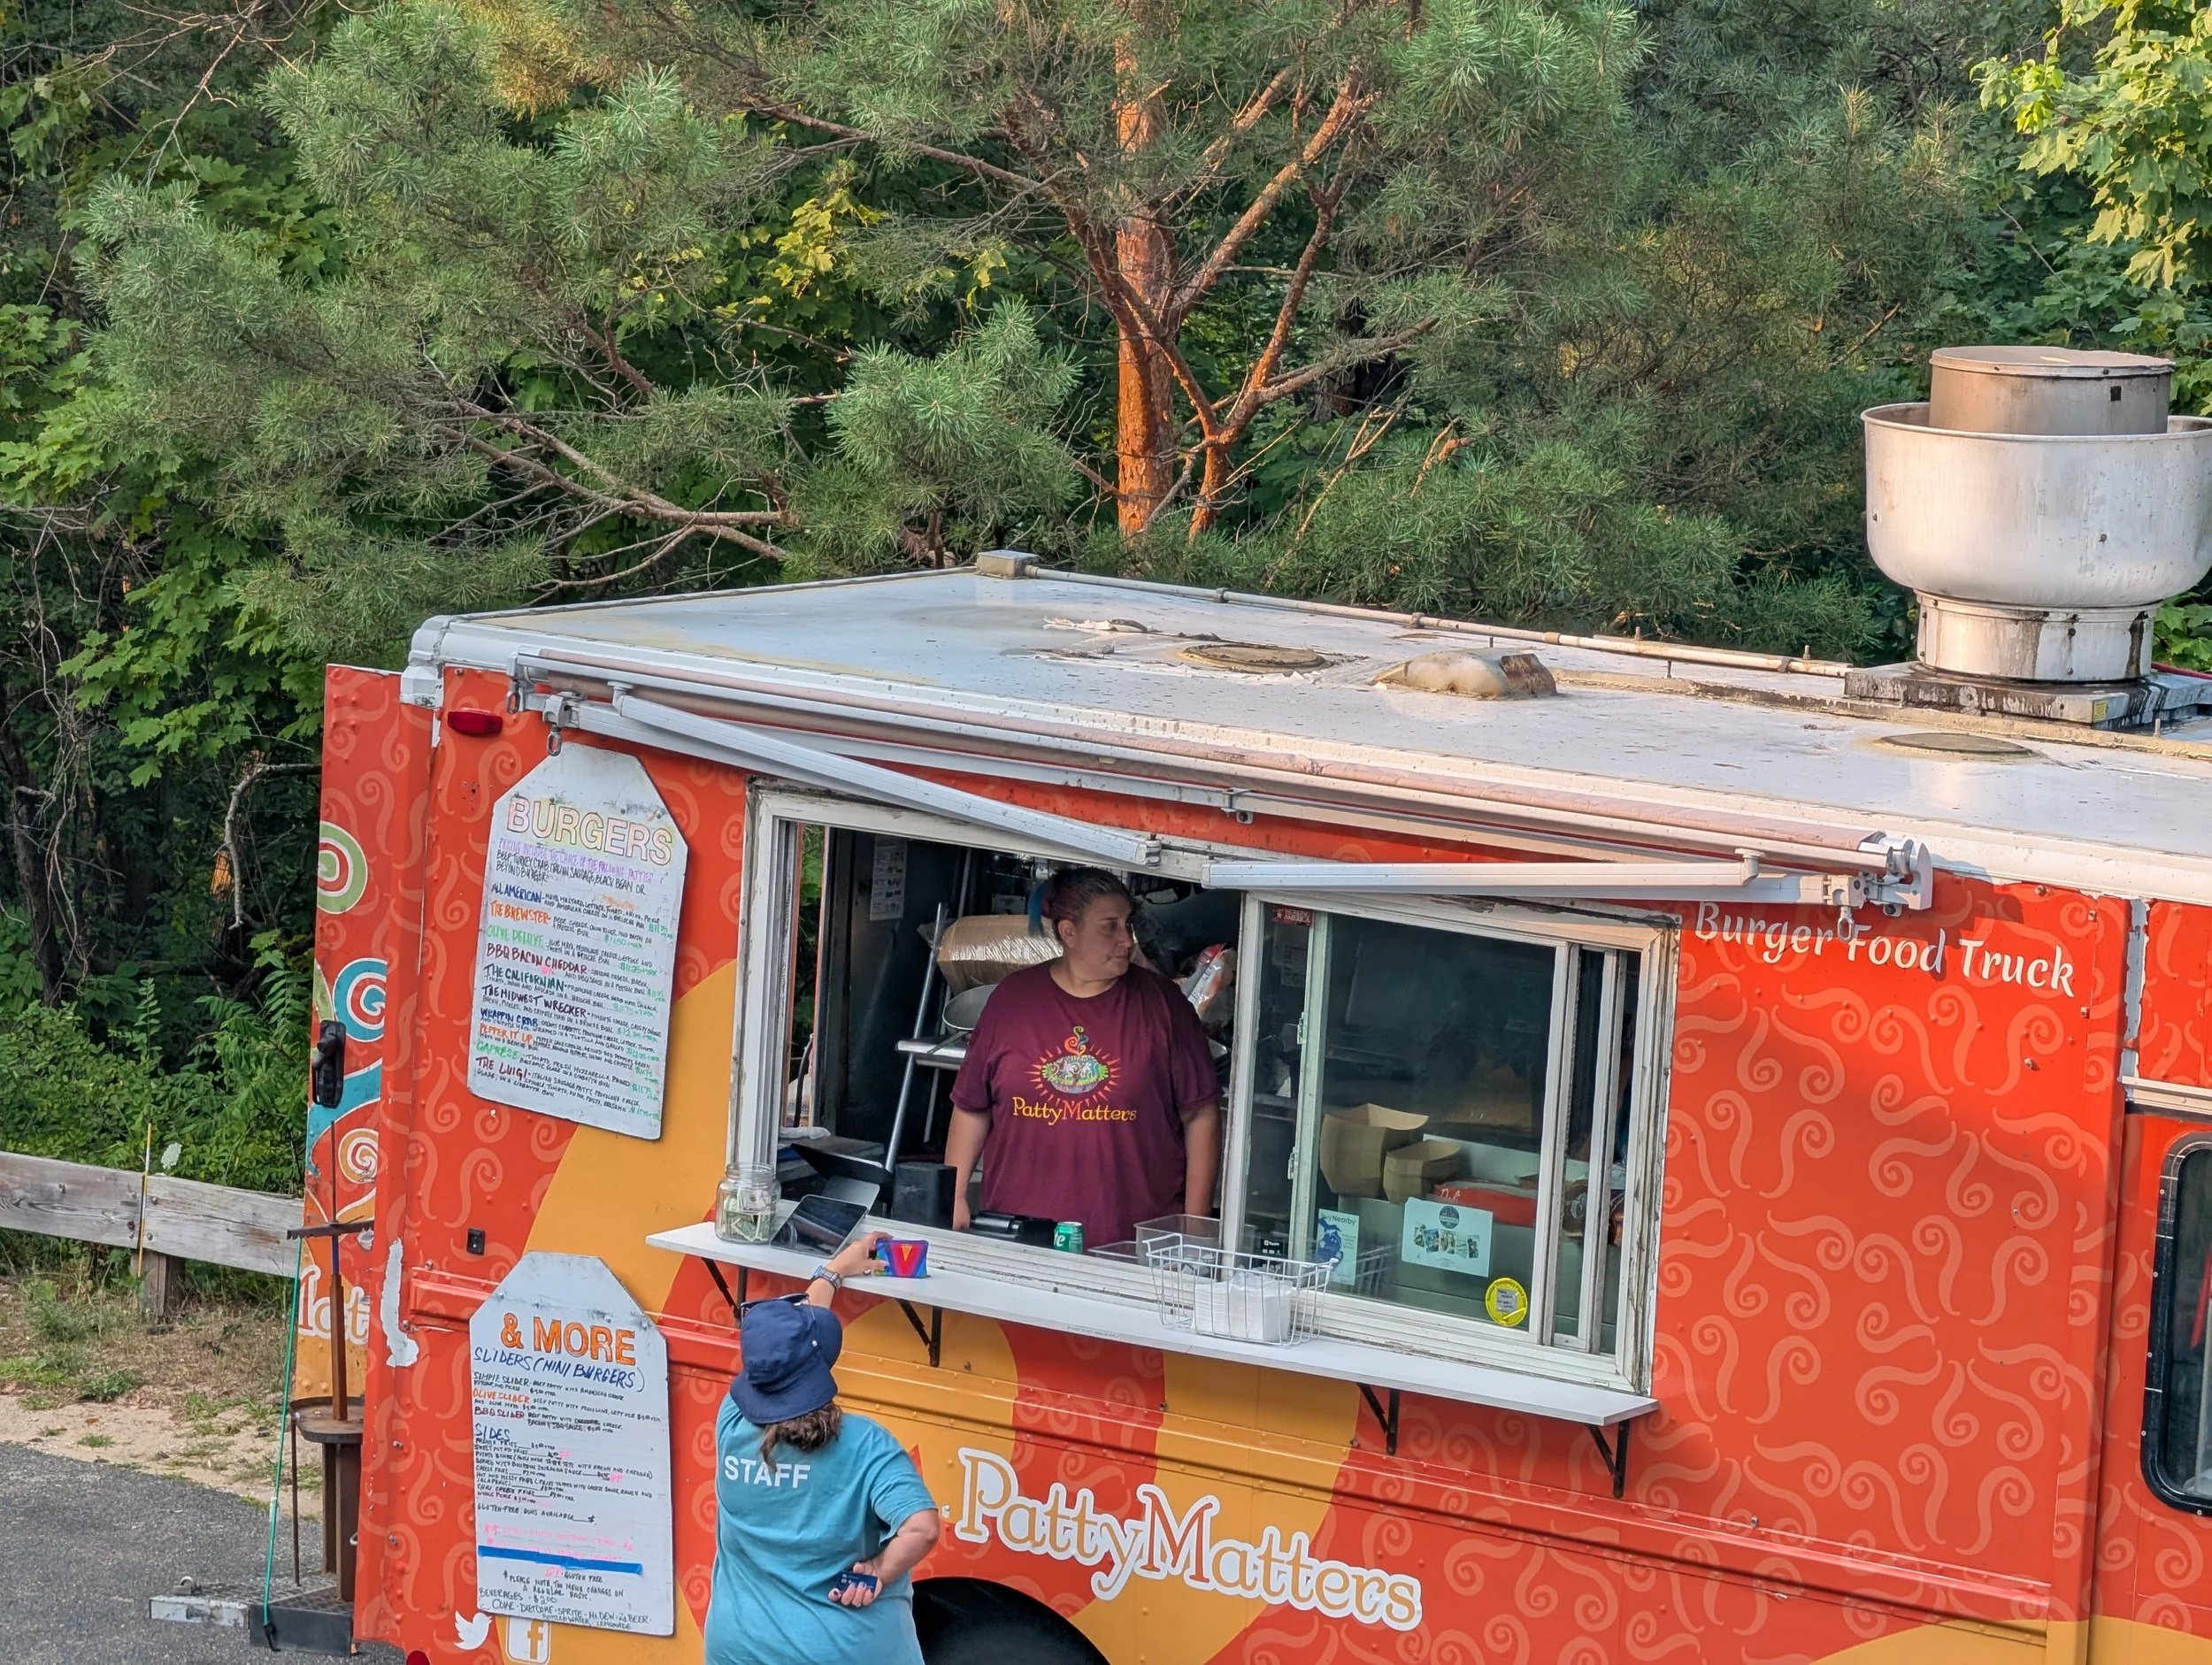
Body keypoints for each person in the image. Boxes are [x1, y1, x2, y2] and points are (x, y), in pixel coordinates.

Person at [944, 866, 1222, 1247]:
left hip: (1131, 1241)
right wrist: (954, 1195)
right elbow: (972, 1107)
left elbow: (1201, 1115)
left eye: (1128, 924)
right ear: (1069, 932)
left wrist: (1194, 1227)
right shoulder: (1012, 1001)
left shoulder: (1164, 1006)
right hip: (1018, 1236)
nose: (1126, 940)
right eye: (1110, 927)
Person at [705, 1231, 942, 1665]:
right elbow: (922, 1528)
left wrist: (832, 1272)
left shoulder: (731, 1422)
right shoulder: (865, 1446)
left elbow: (781, 1355)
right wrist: (880, 1570)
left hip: (739, 1646)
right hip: (842, 1650)